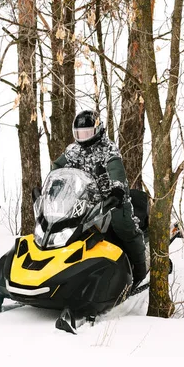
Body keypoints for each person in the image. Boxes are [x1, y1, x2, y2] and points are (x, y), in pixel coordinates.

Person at [51, 109, 147, 290]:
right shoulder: (73, 150)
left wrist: (117, 190)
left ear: (97, 130)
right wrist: (51, 186)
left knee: (122, 226)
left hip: (112, 199)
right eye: (79, 133)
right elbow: (58, 166)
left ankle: (140, 267)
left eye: (87, 133)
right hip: (83, 199)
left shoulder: (108, 148)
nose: (83, 137)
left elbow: (116, 169)